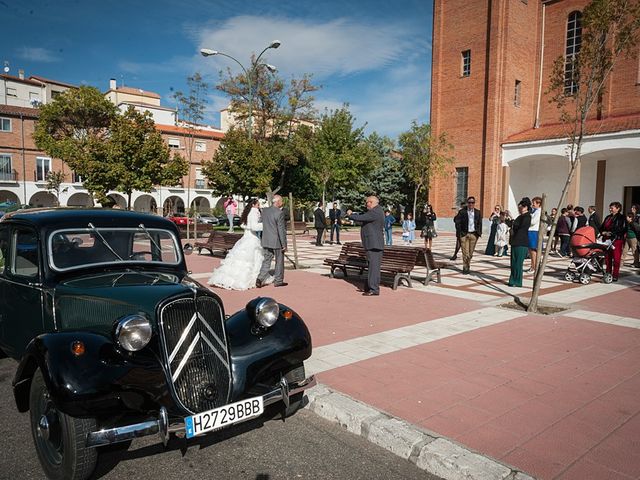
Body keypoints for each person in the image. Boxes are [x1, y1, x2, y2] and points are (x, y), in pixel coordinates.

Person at [209, 199, 264, 290]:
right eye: (258, 204)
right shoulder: (254, 212)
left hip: (245, 238)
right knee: (251, 260)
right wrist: (264, 225)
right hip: (252, 239)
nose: (259, 206)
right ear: (254, 205)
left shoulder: (247, 212)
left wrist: (248, 226)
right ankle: (248, 280)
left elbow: (243, 224)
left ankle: (227, 279)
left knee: (238, 260)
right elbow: (254, 227)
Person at [347, 196, 384, 296]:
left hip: (374, 244)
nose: (365, 205)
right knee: (372, 267)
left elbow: (362, 217)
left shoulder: (376, 211)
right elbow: (363, 220)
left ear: (371, 202)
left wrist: (351, 215)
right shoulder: (374, 211)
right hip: (372, 244)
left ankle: (374, 289)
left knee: (374, 267)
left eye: (366, 203)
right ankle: (369, 286)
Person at [257, 194, 288, 288]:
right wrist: (284, 244)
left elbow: (261, 223)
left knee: (266, 260)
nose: (282, 203)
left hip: (266, 240)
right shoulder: (279, 213)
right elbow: (281, 230)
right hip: (276, 241)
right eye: (281, 201)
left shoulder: (265, 211)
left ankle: (260, 278)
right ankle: (278, 280)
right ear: (277, 202)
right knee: (279, 261)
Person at [454, 196, 482, 274]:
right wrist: (459, 232)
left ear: (474, 203)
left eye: (472, 202)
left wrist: (478, 233)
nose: (471, 204)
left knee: (470, 253)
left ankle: (468, 264)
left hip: (473, 235)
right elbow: (457, 221)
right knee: (465, 252)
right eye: (469, 202)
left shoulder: (477, 212)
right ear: (467, 203)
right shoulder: (462, 212)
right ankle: (465, 267)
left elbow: (480, 223)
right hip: (464, 234)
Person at [600, 201, 626, 282]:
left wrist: (611, 233)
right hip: (607, 239)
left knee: (616, 258)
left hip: (616, 240)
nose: (610, 209)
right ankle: (608, 273)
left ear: (618, 208)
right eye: (610, 207)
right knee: (607, 258)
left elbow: (623, 229)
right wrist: (603, 232)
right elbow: (602, 227)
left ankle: (615, 275)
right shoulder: (608, 217)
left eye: (612, 208)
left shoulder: (621, 217)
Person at [508, 198, 532, 287]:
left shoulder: (527, 216)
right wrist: (508, 219)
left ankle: (517, 281)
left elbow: (520, 226)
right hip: (515, 241)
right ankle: (512, 280)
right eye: (519, 207)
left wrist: (512, 219)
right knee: (513, 262)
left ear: (526, 207)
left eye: (521, 207)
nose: (520, 208)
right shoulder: (520, 216)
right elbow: (513, 225)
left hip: (522, 242)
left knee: (518, 262)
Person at [527, 196, 542, 274]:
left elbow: (533, 221)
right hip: (530, 231)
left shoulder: (539, 212)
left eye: (534, 203)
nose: (532, 204)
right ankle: (532, 265)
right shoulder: (534, 211)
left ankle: (534, 267)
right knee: (530, 250)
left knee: (533, 250)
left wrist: (527, 220)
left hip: (534, 231)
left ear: (538, 204)